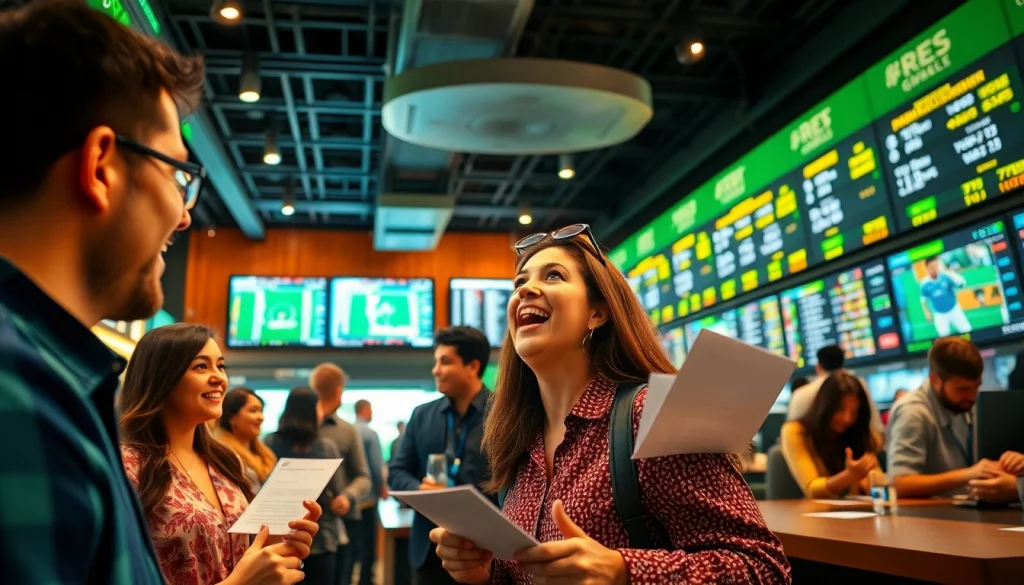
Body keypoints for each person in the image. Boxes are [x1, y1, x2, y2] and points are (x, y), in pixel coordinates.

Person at [430, 225, 789, 584]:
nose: (525, 288)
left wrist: (622, 570)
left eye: (554, 275)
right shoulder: (520, 440)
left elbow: (762, 567)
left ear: (597, 313)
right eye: (519, 281)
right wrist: (488, 571)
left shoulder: (649, 415)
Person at [0, 1, 205, 581]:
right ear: (101, 167)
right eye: (175, 174)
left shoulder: (55, 375)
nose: (183, 217)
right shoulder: (18, 397)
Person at [119, 324, 321, 585]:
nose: (219, 378)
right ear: (161, 377)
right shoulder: (129, 467)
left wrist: (277, 545)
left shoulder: (226, 463)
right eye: (201, 366)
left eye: (221, 366)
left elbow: (238, 556)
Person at [389, 326, 495, 585]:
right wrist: (419, 489)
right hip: (428, 550)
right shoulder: (422, 415)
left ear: (473, 366)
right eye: (436, 361)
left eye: (445, 361)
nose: (436, 370)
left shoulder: (503, 414)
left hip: (483, 552)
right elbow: (396, 472)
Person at [887, 336, 1020, 501]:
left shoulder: (965, 403)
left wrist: (1011, 464)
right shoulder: (912, 412)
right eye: (962, 389)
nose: (971, 397)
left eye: (976, 387)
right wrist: (967, 475)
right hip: (931, 520)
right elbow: (899, 483)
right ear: (935, 380)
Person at [264, 387, 350, 585]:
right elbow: (337, 490)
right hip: (321, 536)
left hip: (281, 538)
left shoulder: (270, 443)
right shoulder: (326, 447)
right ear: (312, 411)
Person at [309, 363, 372, 583]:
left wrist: (347, 496)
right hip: (307, 525)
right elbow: (365, 476)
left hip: (341, 522)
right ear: (339, 391)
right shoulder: (303, 428)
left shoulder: (348, 430)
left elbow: (363, 478)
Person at [781, 373, 883, 498]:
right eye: (840, 409)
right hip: (809, 514)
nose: (847, 418)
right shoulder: (796, 431)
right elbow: (811, 489)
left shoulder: (861, 432)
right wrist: (849, 477)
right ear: (825, 406)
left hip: (856, 512)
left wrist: (867, 478)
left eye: (854, 412)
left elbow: (877, 481)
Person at [787, 345, 884, 434]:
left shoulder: (801, 394)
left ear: (818, 366)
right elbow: (876, 428)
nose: (847, 419)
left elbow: (793, 434)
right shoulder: (859, 386)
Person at [347, 399, 387, 585]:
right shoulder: (370, 433)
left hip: (350, 498)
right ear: (364, 410)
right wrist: (382, 488)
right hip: (369, 498)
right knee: (368, 543)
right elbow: (375, 466)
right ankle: (366, 580)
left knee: (352, 543)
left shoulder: (347, 430)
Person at [213, 387, 277, 493]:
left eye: (261, 411)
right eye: (253, 411)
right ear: (231, 417)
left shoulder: (264, 453)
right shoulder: (222, 453)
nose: (261, 417)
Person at [920, 255, 971, 337]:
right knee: (944, 339)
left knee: (967, 332)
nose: (934, 269)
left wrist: (950, 273)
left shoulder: (946, 276)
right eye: (932, 267)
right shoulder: (924, 284)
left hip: (954, 310)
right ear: (927, 268)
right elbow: (923, 299)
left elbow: (962, 284)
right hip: (939, 315)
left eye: (936, 266)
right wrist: (927, 312)